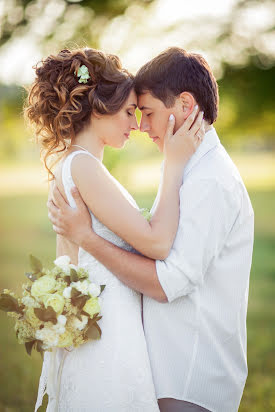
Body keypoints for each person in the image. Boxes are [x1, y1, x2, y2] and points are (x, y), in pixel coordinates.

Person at [48, 47, 254, 412]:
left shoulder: (208, 180)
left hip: (190, 374)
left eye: (146, 113)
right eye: (133, 113)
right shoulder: (183, 166)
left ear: (185, 105)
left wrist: (87, 239)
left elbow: (166, 277)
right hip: (152, 362)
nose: (141, 126)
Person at [25, 47, 204, 412]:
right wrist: (174, 164)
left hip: (108, 323)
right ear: (97, 108)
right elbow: (156, 243)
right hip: (109, 332)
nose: (136, 124)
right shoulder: (84, 167)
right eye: (127, 112)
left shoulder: (76, 164)